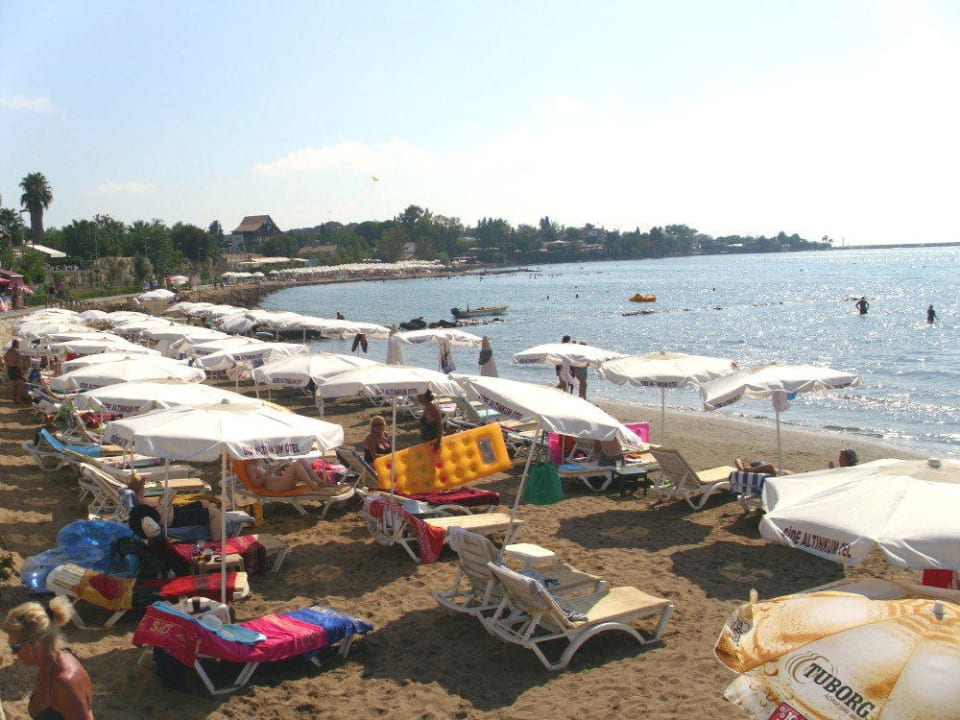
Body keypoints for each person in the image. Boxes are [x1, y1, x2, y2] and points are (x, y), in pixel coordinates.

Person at [2, 597, 95, 719]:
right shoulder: (49, 663)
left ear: (36, 644)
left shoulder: (65, 683)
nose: (13, 654)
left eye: (15, 647)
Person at [124, 475, 223, 540]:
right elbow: (156, 520)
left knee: (204, 502)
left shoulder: (137, 500)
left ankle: (214, 523)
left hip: (176, 512)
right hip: (177, 519)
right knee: (214, 512)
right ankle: (217, 544)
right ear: (141, 488)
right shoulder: (139, 505)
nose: (144, 487)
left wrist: (162, 503)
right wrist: (162, 506)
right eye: (143, 485)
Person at [247, 458, 328, 492]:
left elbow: (272, 474)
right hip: (275, 487)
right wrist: (267, 473)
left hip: (280, 481)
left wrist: (279, 469)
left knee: (301, 461)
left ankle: (320, 483)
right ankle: (314, 487)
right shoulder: (250, 467)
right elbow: (255, 484)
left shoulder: (260, 461)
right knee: (296, 465)